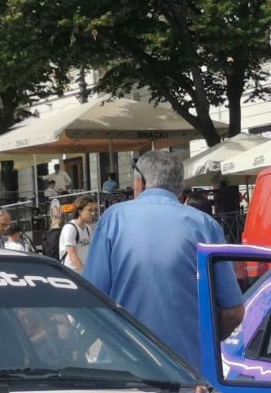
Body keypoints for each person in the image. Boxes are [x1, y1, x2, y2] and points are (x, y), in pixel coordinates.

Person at [84, 150, 244, 368]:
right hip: (189, 370)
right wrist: (202, 343)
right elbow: (233, 312)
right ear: (179, 187)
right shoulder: (205, 225)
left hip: (125, 363)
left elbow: (92, 300)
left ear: (140, 182)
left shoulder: (114, 218)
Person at [59, 196, 97, 273]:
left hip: (82, 273)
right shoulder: (70, 228)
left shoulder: (87, 228)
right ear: (80, 211)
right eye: (90, 210)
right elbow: (72, 255)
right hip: (71, 274)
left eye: (94, 210)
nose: (93, 213)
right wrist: (85, 273)